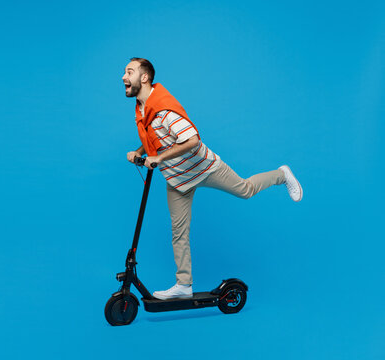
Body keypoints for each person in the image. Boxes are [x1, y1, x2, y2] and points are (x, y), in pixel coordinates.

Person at [122, 57, 303, 300]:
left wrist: (160, 158)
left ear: (144, 77)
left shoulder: (163, 108)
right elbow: (154, 137)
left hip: (204, 167)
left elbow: (192, 139)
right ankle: (183, 285)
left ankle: (282, 175)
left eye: (129, 72)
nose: (124, 77)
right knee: (179, 232)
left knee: (246, 189)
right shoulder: (142, 107)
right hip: (177, 180)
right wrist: (140, 152)